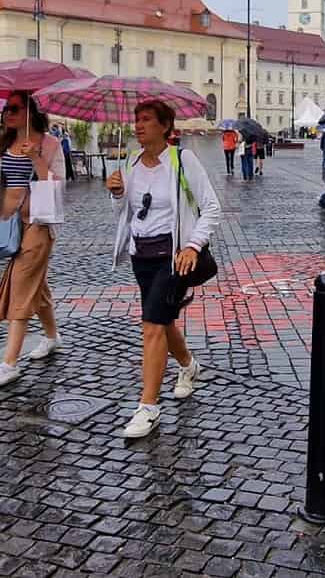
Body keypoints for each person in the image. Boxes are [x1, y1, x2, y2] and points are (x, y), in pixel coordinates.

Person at [108, 100, 222, 438]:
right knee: (162, 320)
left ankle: (148, 407)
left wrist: (192, 245)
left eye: (146, 120)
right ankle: (189, 366)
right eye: (136, 120)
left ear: (164, 126)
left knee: (151, 327)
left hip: (172, 258)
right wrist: (116, 195)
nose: (138, 126)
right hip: (140, 256)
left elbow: (211, 207)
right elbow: (126, 215)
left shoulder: (182, 160)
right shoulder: (130, 163)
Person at [0, 91, 65, 387]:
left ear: (30, 111)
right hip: (11, 224)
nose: (9, 114)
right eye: (7, 109)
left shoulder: (50, 143)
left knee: (20, 285)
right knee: (37, 286)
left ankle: (9, 363)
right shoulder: (5, 143)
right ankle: (52, 336)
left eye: (15, 109)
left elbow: (58, 186)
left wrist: (36, 157)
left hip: (38, 225)